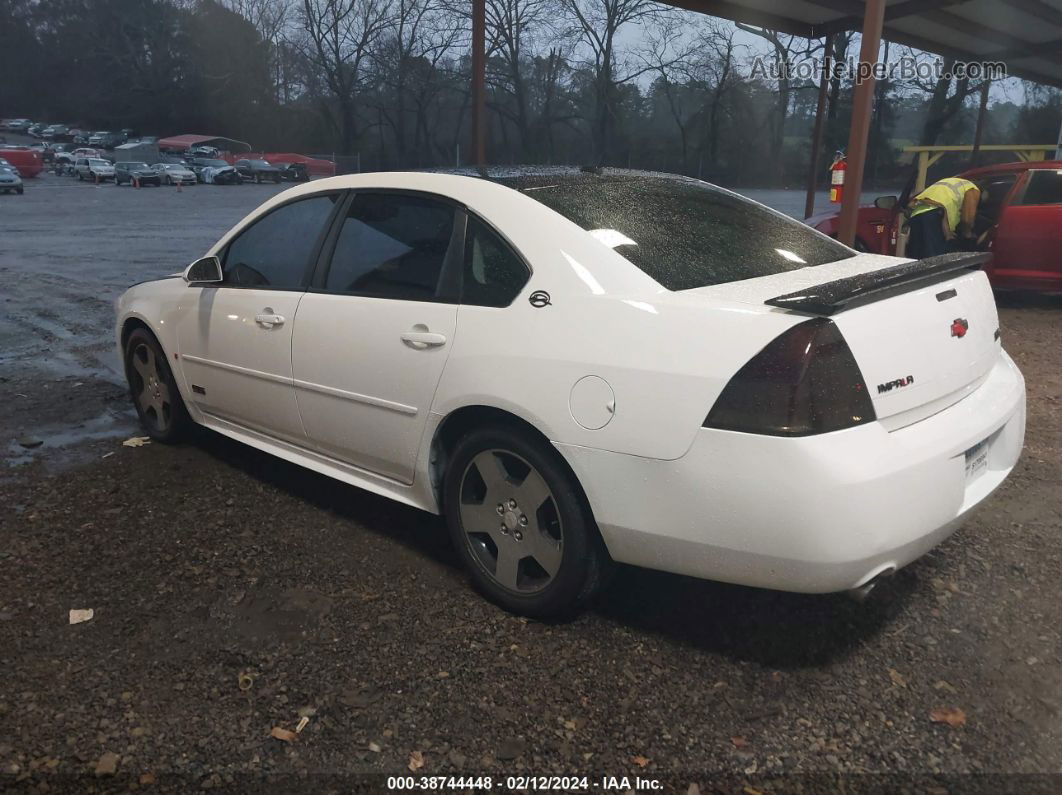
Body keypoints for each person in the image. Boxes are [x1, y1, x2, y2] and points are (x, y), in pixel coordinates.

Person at [905, 176, 982, 258]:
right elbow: (967, 220)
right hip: (934, 215)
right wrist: (968, 234)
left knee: (916, 258)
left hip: (916, 214)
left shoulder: (951, 182)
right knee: (934, 259)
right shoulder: (972, 188)